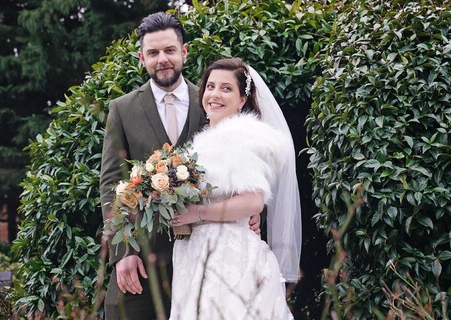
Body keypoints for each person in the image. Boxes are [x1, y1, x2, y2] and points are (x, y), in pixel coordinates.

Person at [100, 13, 260, 319]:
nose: (163, 59)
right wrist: (124, 251)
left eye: (170, 50)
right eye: (153, 53)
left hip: (208, 258)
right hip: (144, 256)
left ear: (183, 52)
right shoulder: (122, 109)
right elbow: (111, 184)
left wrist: (252, 211)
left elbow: (240, 166)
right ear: (141, 58)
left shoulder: (211, 101)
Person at [169, 58, 302, 319]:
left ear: (243, 99)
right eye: (210, 86)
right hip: (198, 254)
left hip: (228, 257)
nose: (215, 95)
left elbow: (252, 202)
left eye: (226, 89)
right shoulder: (206, 141)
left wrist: (195, 214)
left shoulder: (240, 137)